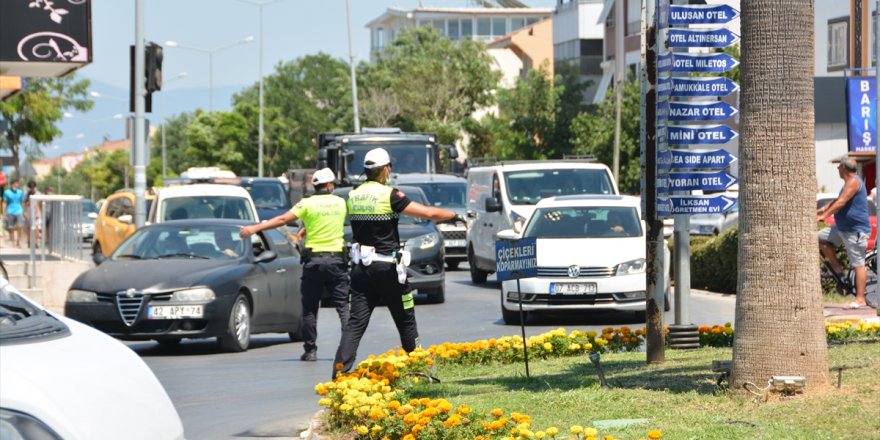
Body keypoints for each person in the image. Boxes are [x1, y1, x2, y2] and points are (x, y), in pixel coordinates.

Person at [332, 148, 463, 379]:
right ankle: (421, 371)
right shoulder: (390, 195)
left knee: (355, 323)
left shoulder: (353, 194)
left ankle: (339, 374)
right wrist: (454, 215)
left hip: (361, 269)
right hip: (386, 268)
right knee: (405, 318)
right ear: (384, 170)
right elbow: (428, 213)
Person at [240, 168, 349, 362]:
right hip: (336, 261)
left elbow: (283, 219)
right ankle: (349, 349)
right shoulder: (341, 202)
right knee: (343, 307)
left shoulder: (307, 204)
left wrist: (255, 228)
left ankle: (310, 350)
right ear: (330, 185)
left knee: (309, 307)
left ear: (315, 186)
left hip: (314, 262)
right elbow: (329, 219)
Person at [818, 158, 872, 309]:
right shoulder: (848, 184)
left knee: (858, 263)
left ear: (844, 168)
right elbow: (838, 200)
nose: (837, 170)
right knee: (818, 238)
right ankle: (838, 270)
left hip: (854, 231)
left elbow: (841, 202)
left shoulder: (854, 182)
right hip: (841, 229)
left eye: (838, 167)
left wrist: (824, 216)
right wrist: (822, 210)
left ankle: (860, 299)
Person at [2, 180, 24, 248]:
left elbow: (22, 202)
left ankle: (18, 241)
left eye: (17, 184)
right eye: (15, 184)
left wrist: (24, 212)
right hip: (10, 211)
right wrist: (4, 212)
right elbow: (4, 202)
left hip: (19, 210)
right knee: (11, 227)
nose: (16, 185)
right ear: (12, 184)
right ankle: (13, 241)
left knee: (20, 226)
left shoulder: (20, 192)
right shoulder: (6, 192)